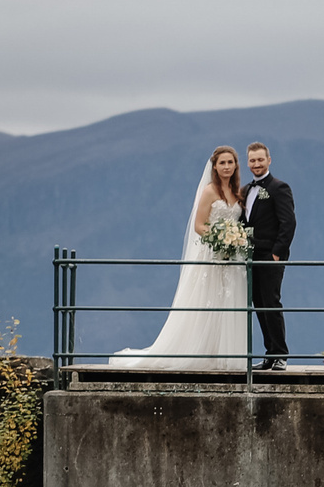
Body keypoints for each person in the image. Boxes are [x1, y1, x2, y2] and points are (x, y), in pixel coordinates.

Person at [107, 146, 252, 371]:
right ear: (214, 166)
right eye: (222, 163)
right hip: (212, 256)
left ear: (236, 166)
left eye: (230, 162)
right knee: (208, 301)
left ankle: (224, 355)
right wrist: (221, 238)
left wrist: (235, 240)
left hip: (233, 260)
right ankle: (200, 352)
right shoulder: (210, 191)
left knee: (228, 303)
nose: (226, 167)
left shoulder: (237, 192)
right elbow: (199, 225)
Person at [241, 142, 296, 371]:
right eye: (252, 160)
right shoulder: (245, 190)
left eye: (260, 159)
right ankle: (270, 354)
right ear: (248, 163)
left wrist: (277, 254)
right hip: (249, 256)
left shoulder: (279, 187)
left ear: (269, 160)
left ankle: (281, 354)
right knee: (258, 303)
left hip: (270, 256)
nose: (256, 164)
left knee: (271, 302)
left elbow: (288, 223)